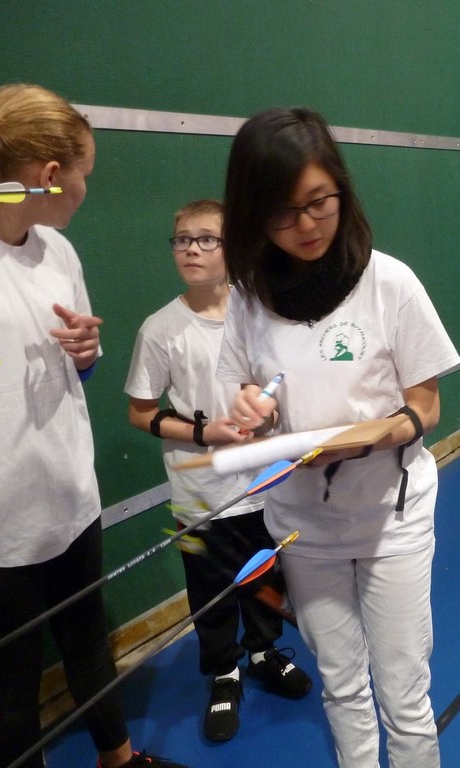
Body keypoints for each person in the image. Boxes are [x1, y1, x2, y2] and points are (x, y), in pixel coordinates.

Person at [0, 85, 188, 768]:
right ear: (51, 175)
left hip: (69, 500)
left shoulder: (57, 252)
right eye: (86, 174)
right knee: (12, 689)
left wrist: (84, 355)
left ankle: (120, 759)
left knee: (88, 645)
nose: (87, 188)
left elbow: (74, 372)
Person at [217, 106, 460, 768]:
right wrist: (250, 409)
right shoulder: (248, 297)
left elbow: (426, 405)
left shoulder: (389, 282)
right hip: (303, 525)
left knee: (403, 692)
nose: (306, 225)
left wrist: (372, 437)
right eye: (282, 212)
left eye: (319, 202)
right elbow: (245, 392)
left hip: (391, 517)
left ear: (342, 191)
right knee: (342, 683)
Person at [124, 198, 312, 744]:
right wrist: (205, 434)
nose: (192, 249)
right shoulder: (161, 329)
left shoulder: (260, 314)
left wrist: (268, 411)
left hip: (265, 486)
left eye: (207, 239)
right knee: (211, 589)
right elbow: (140, 412)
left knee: (264, 575)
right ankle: (224, 672)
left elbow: (283, 384)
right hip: (201, 493)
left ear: (234, 248)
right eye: (182, 240)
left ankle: (264, 652)